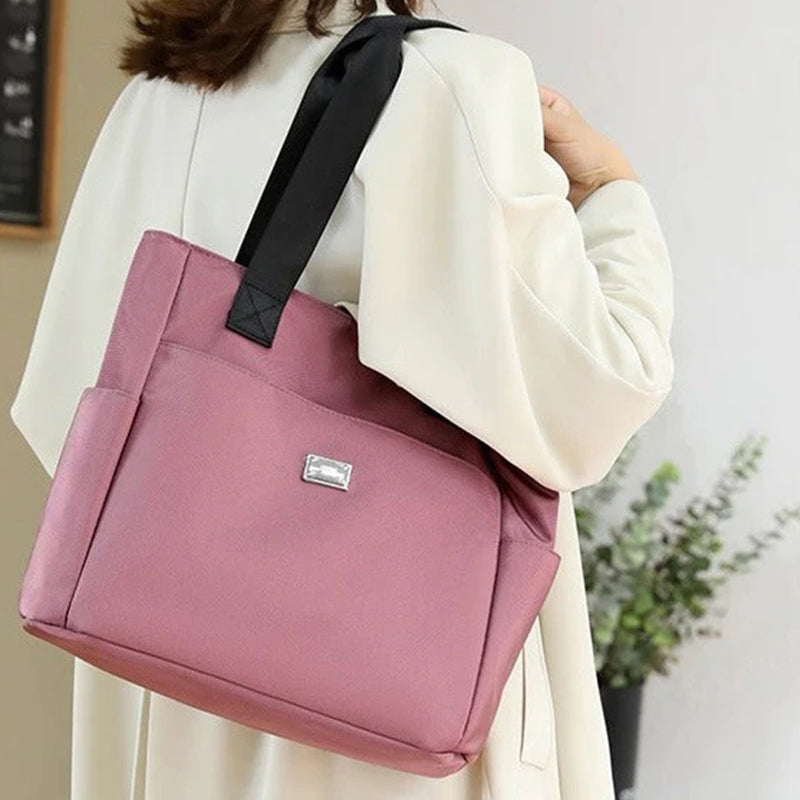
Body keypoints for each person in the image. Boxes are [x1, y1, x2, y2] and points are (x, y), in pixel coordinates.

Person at [8, 0, 675, 798]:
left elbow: (65, 416)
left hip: (158, 677)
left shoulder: (156, 95)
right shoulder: (451, 81)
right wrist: (610, 189)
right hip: (380, 697)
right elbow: (593, 402)